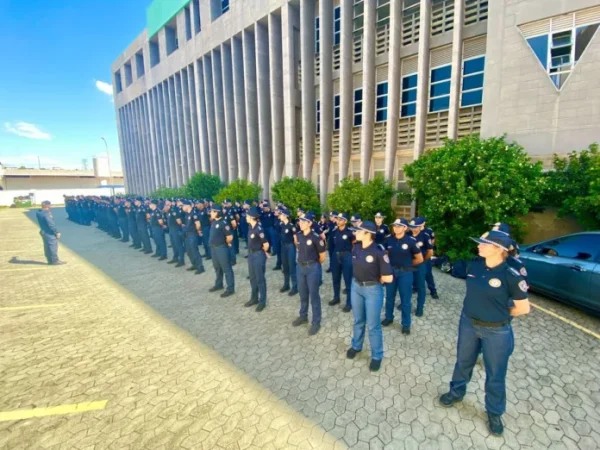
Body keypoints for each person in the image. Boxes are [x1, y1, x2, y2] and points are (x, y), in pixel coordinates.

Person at [439, 230, 530, 436]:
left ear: (498, 249)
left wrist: (501, 316)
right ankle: (456, 392)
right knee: (463, 362)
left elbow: (523, 308)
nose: (478, 245)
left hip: (496, 332)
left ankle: (494, 412)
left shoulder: (511, 275)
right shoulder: (475, 265)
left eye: (483, 243)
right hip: (468, 324)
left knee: (495, 374)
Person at [346, 221, 393, 372]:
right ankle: (356, 346)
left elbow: (389, 278)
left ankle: (377, 356)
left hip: (372, 290)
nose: (355, 233)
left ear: (368, 234)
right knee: (358, 320)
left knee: (373, 325)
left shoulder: (378, 251)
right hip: (356, 287)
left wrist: (378, 278)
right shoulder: (356, 247)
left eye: (358, 231)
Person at [382, 218, 423, 334]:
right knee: (389, 297)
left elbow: (419, 259)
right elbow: (385, 254)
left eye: (399, 226)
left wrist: (408, 265)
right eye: (394, 226)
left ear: (405, 228)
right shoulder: (389, 240)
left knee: (405, 300)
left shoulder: (411, 241)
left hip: (405, 273)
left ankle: (406, 324)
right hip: (392, 272)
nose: (396, 228)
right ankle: (389, 317)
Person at [292, 212, 327, 335]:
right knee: (302, 293)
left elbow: (322, 257)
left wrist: (314, 264)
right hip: (300, 267)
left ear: (309, 223)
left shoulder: (316, 237)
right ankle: (303, 316)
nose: (300, 224)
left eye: (303, 222)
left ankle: (316, 322)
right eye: (299, 222)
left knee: (314, 295)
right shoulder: (299, 235)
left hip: (312, 268)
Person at [244, 207, 269, 311]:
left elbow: (266, 244)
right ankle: (254, 298)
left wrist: (262, 252)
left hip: (258, 255)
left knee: (260, 279)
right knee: (253, 278)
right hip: (251, 255)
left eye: (247, 215)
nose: (246, 217)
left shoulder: (259, 229)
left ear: (251, 217)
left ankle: (262, 301)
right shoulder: (250, 227)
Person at [329, 213, 354, 312]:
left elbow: (354, 244)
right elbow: (331, 245)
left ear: (345, 221)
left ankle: (349, 302)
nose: (338, 221)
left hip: (347, 255)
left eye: (340, 219)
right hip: (336, 255)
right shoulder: (334, 231)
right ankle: (336, 297)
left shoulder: (350, 232)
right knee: (335, 278)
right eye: (337, 219)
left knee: (348, 280)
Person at [409, 217, 433, 317]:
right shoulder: (407, 235)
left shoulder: (425, 236)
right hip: (409, 265)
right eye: (412, 227)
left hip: (420, 265)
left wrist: (423, 260)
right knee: (407, 286)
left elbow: (430, 252)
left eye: (415, 227)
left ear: (420, 227)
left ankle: (420, 308)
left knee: (421, 287)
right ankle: (405, 304)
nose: (413, 229)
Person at [208, 207, 235, 297]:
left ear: (217, 212)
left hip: (221, 248)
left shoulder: (223, 223)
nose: (210, 213)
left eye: (212, 211)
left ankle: (230, 288)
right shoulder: (214, 221)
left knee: (226, 268)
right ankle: (219, 284)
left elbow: (230, 237)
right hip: (214, 248)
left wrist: (226, 243)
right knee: (217, 267)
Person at [36, 200, 65, 265]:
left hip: (43, 231)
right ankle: (55, 261)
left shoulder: (39, 212)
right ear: (48, 206)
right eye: (50, 205)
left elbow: (40, 211)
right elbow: (51, 224)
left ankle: (49, 260)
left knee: (47, 247)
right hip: (49, 232)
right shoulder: (46, 214)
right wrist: (57, 232)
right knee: (52, 247)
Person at [182, 201, 205, 274]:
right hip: (187, 234)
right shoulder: (187, 214)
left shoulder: (193, 213)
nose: (182, 207)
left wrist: (198, 231)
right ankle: (194, 264)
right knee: (189, 251)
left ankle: (200, 267)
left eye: (183, 205)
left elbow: (198, 224)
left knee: (194, 251)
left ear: (188, 206)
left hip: (192, 234)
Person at [279, 208, 298, 296]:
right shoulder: (281, 225)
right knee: (285, 266)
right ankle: (286, 285)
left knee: (292, 266)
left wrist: (297, 248)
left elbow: (295, 239)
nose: (280, 216)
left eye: (281, 215)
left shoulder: (291, 226)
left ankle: (295, 287)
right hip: (283, 247)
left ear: (285, 216)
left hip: (290, 246)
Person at [422, 218, 439, 299]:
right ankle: (415, 288)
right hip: (415, 257)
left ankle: (433, 290)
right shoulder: (412, 232)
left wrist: (430, 247)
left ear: (424, 223)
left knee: (428, 273)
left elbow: (432, 239)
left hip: (426, 256)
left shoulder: (428, 230)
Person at [166, 200, 186, 267]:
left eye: (168, 202)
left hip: (175, 229)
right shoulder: (169, 210)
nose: (166, 203)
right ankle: (175, 258)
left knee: (178, 245)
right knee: (174, 244)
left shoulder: (174, 209)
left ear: (171, 203)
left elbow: (178, 220)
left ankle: (181, 260)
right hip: (171, 229)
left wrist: (180, 225)